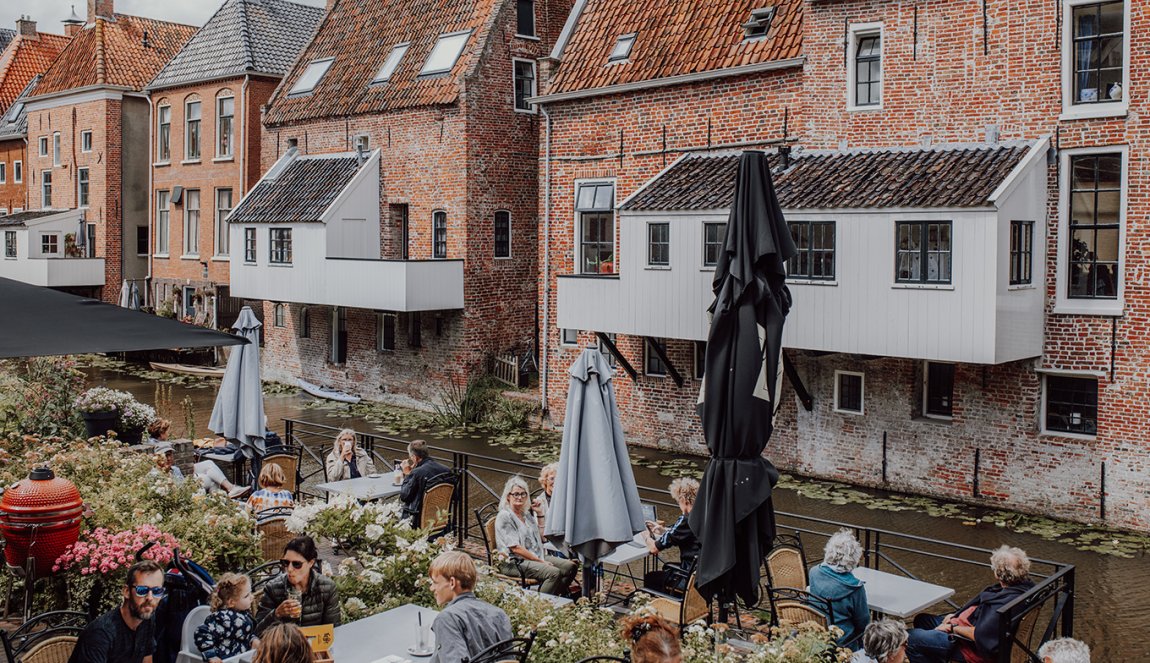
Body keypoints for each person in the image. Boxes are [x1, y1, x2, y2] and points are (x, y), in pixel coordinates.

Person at [906, 545, 1036, 663]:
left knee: (909, 637)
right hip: (972, 631)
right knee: (922, 619)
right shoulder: (1023, 590)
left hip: (967, 646)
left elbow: (980, 635)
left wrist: (952, 627)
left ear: (998, 574)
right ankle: (933, 652)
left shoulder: (1003, 603)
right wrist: (956, 616)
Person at [494, 476, 577, 596]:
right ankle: (540, 605)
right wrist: (540, 562)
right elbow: (515, 548)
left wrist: (539, 514)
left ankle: (554, 596)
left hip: (534, 555)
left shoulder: (525, 513)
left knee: (570, 567)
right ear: (508, 496)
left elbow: (542, 539)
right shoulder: (505, 516)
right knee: (553, 573)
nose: (520, 497)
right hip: (513, 562)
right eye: (516, 494)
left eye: (523, 494)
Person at [68, 560, 164, 663]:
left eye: (157, 591)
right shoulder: (101, 634)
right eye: (142, 590)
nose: (150, 598)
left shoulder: (146, 617)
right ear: (126, 591)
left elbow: (147, 657)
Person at [427, 551, 513, 663]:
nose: (431, 588)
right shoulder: (499, 614)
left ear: (452, 583)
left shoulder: (447, 619)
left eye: (435, 582)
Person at [254, 535, 340, 634]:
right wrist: (277, 613)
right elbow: (257, 632)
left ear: (311, 563)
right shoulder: (273, 588)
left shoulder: (326, 588)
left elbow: (333, 631)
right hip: (284, 646)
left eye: (296, 564)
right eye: (285, 562)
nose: (289, 569)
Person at [150, 419, 248, 499]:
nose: (168, 434)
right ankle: (227, 493)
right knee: (210, 475)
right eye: (167, 432)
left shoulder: (157, 442)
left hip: (179, 473)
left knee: (209, 464)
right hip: (181, 475)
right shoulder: (157, 447)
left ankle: (227, 494)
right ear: (162, 433)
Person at [810, 528, 869, 650]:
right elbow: (863, 623)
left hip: (818, 636)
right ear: (854, 558)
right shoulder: (855, 588)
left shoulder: (814, 572)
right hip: (844, 642)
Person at [641, 477, 701, 594]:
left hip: (687, 578)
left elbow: (654, 548)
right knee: (667, 567)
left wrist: (646, 536)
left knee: (651, 578)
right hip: (700, 576)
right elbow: (682, 534)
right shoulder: (702, 515)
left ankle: (660, 609)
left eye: (678, 501)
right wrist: (663, 531)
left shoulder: (686, 519)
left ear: (684, 500)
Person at [194, 573, 258, 663]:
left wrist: (253, 640)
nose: (252, 597)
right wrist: (211, 656)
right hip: (225, 659)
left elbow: (245, 633)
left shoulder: (243, 613)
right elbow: (202, 633)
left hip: (241, 658)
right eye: (246, 596)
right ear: (231, 602)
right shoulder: (223, 618)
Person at [399, 439, 451, 525]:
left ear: (415, 458)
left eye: (411, 457)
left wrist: (408, 474)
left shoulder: (417, 473)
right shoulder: (446, 470)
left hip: (419, 520)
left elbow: (404, 496)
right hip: (440, 517)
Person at [531, 462, 558, 527]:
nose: (556, 482)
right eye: (552, 478)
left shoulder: (566, 498)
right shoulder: (540, 501)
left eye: (558, 478)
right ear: (545, 481)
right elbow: (538, 524)